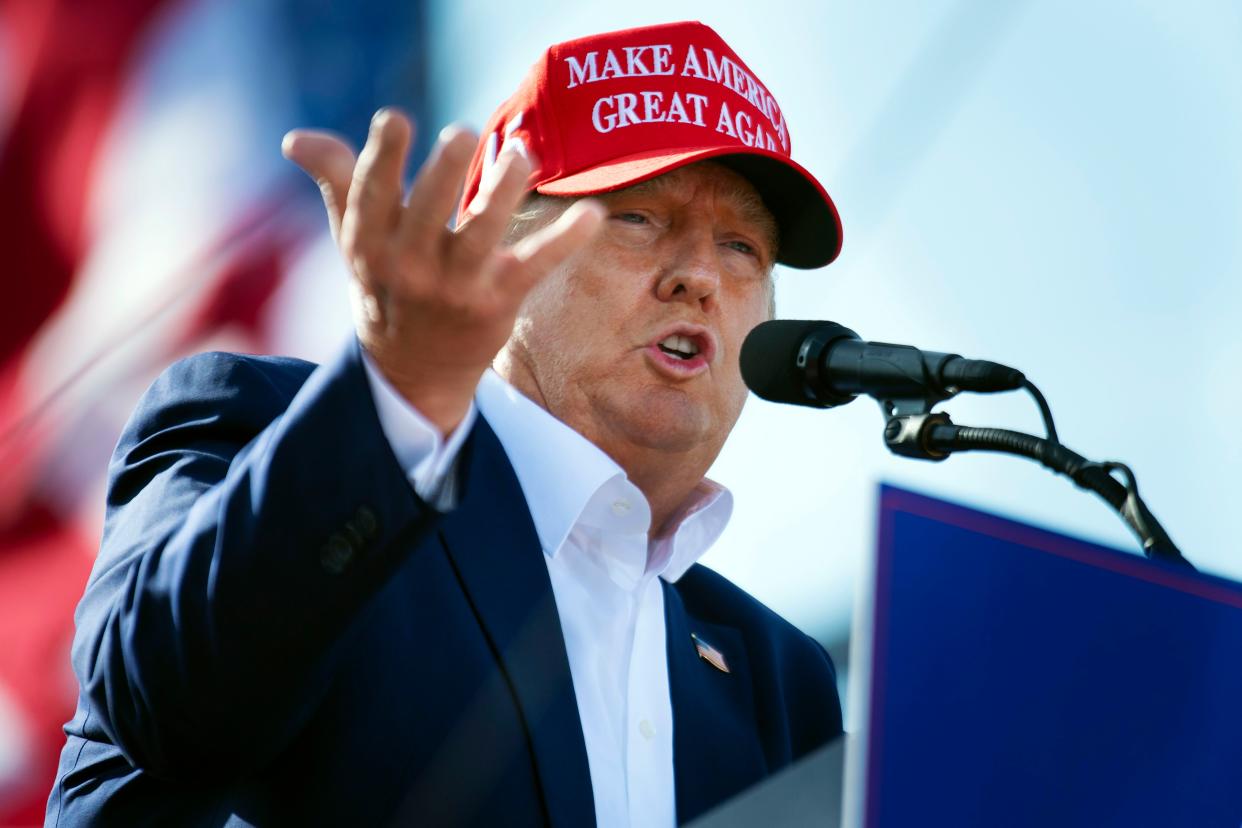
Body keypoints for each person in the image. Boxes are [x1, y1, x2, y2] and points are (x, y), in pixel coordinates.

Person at [47, 20, 844, 827]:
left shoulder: (785, 683)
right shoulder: (272, 430)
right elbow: (167, 705)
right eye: (640, 217)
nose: (700, 276)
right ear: (493, 249)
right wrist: (397, 398)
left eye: (743, 247)